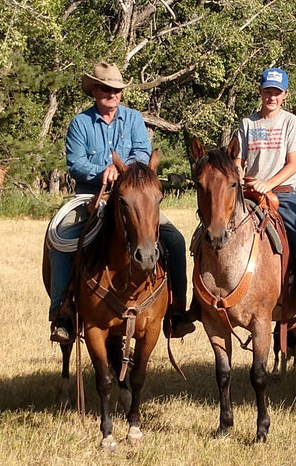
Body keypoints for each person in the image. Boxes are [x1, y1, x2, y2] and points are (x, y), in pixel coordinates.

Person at [48, 61, 194, 345]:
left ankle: (177, 311)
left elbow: (142, 151)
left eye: (116, 89)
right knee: (61, 238)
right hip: (92, 194)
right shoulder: (80, 123)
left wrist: (125, 170)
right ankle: (63, 310)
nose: (111, 93)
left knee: (174, 240)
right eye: (105, 88)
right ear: (94, 90)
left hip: (133, 196)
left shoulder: (134, 119)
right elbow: (75, 162)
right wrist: (104, 169)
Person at [231, 66, 296, 330]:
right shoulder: (247, 123)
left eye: (276, 92)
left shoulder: (290, 122)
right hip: (248, 192)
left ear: (285, 94)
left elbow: (293, 164)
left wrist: (268, 184)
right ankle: (204, 299)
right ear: (260, 91)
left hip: (281, 193)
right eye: (267, 91)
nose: (271, 96)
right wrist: (238, 173)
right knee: (213, 229)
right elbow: (238, 160)